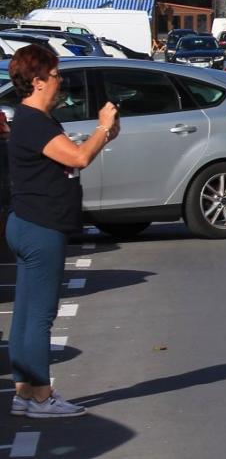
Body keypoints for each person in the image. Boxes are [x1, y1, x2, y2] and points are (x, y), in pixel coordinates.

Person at [6, 45, 118, 419]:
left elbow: (74, 156)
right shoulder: (34, 122)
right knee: (40, 317)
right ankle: (41, 396)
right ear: (37, 81)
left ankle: (23, 391)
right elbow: (78, 158)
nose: (60, 82)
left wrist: (106, 134)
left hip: (28, 222)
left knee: (24, 314)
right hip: (41, 226)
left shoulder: (31, 119)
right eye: (56, 76)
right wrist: (102, 126)